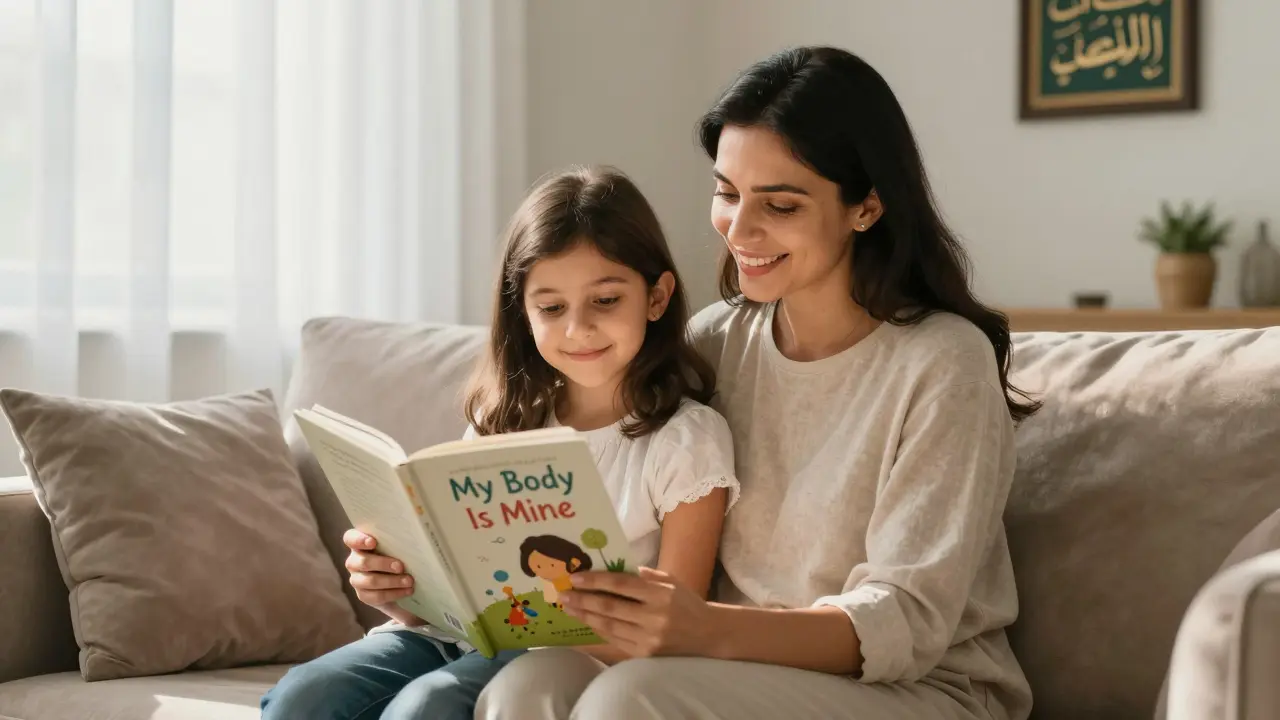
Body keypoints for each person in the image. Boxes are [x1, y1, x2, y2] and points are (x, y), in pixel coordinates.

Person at [473, 45, 1042, 720]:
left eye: (779, 204)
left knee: (628, 701)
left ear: (865, 207)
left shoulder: (945, 361)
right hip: (729, 670)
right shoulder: (716, 342)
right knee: (526, 687)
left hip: (918, 691)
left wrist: (702, 627)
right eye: (726, 192)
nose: (738, 229)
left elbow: (908, 621)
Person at [259, 166, 740, 720]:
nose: (577, 329)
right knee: (304, 695)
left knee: (426, 707)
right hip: (451, 637)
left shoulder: (685, 439)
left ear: (656, 298)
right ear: (523, 312)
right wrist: (395, 587)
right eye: (552, 308)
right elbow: (458, 586)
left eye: (605, 301)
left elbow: (675, 622)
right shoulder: (504, 420)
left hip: (570, 654)